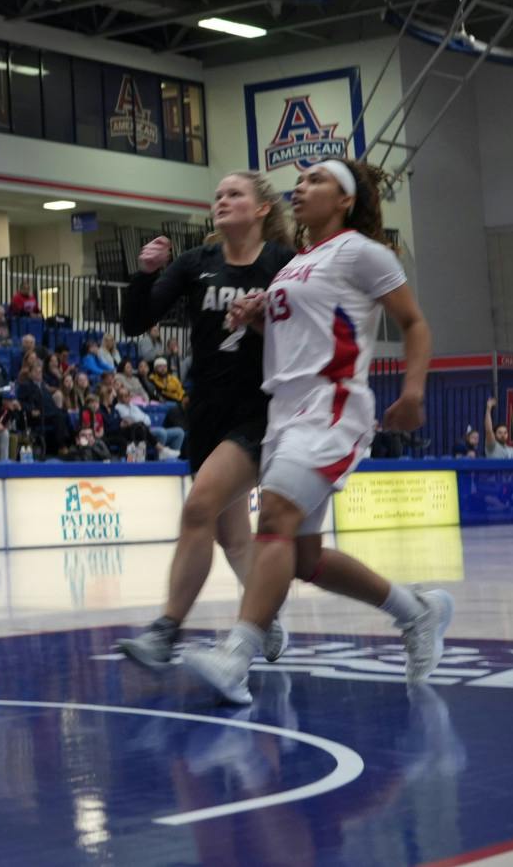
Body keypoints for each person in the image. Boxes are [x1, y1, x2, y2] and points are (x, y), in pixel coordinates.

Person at [182, 158, 449, 706]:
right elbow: (304, 326)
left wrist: (414, 392)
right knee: (304, 559)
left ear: (345, 199)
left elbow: (414, 323)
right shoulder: (299, 263)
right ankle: (416, 612)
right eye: (299, 181)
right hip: (286, 412)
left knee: (273, 517)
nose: (300, 188)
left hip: (332, 407)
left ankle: (236, 656)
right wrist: (258, 315)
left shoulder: (362, 252)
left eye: (315, 181)